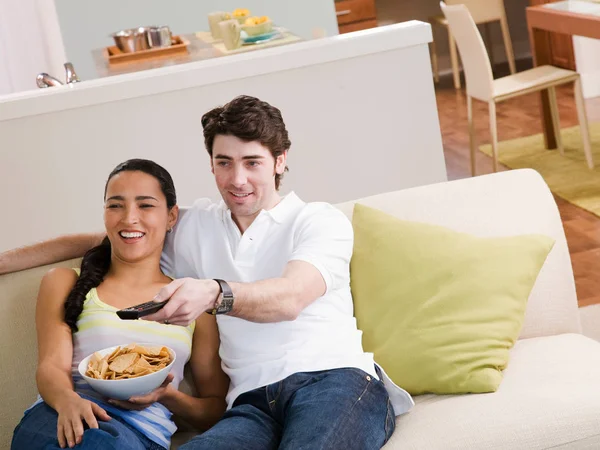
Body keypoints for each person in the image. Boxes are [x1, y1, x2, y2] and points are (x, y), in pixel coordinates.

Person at [1, 96, 414, 449]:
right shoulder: (196, 225)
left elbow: (290, 298)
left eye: (252, 162)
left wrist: (215, 293)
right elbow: (119, 233)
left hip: (333, 380)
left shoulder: (318, 220)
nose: (237, 179)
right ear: (212, 165)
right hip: (249, 404)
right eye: (224, 162)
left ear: (279, 161)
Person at [10, 159, 229, 450]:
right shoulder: (64, 281)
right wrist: (68, 401)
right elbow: (51, 365)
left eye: (145, 205)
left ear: (172, 216)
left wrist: (165, 396)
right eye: (115, 205)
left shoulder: (193, 304)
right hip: (60, 417)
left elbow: (215, 410)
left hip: (139, 437)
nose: (129, 218)